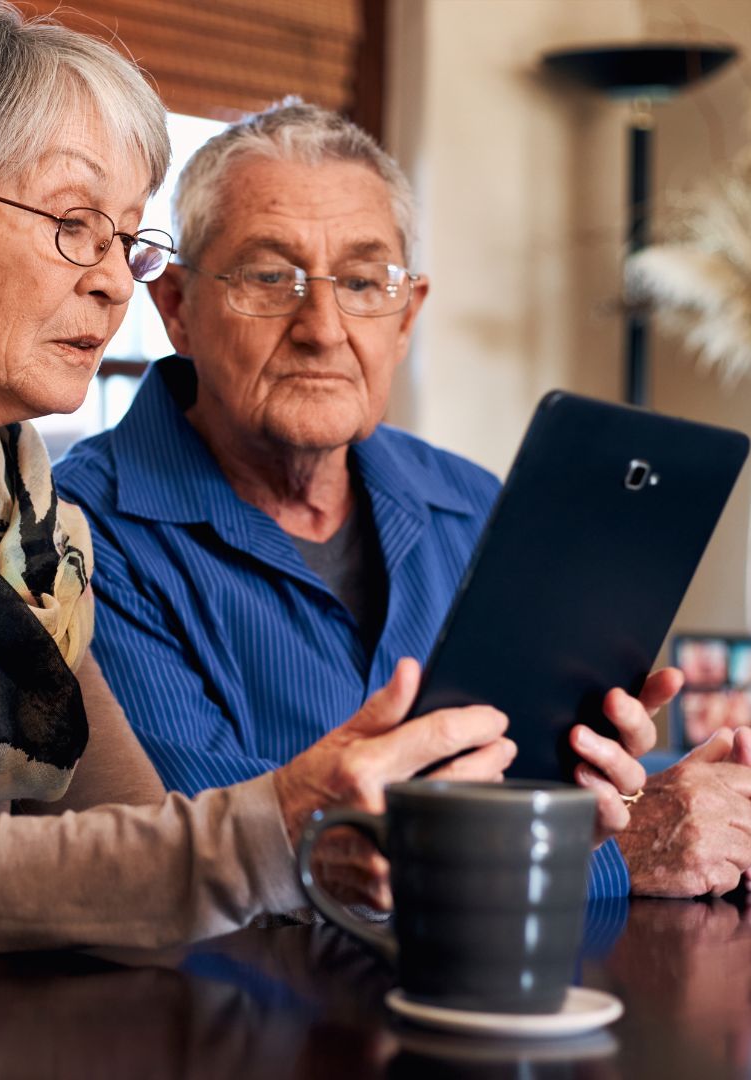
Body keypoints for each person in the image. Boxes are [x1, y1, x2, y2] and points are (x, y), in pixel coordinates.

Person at [0, 4, 531, 970]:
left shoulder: (23, 528)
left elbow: (150, 867)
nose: (117, 284)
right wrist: (272, 828)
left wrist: (351, 837)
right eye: (75, 226)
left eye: (126, 240)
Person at [55, 101, 751, 899]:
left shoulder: (474, 505)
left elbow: (540, 788)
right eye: (270, 277)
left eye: (362, 282)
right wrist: (607, 851)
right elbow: (208, 858)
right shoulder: (77, 533)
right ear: (177, 307)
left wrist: (617, 791)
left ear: (407, 316)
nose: (323, 328)